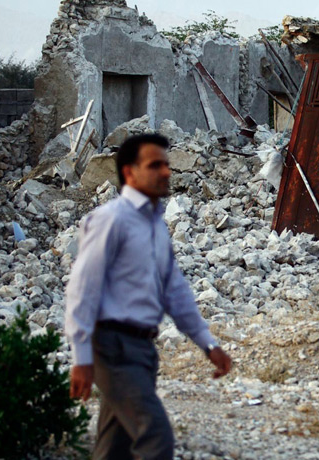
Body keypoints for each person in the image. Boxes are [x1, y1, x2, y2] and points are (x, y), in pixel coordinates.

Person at [65, 133, 232, 459]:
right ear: (129, 172)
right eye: (155, 165)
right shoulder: (111, 219)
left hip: (141, 350)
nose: (166, 172)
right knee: (155, 438)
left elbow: (175, 290)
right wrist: (81, 356)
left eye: (166, 165)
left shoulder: (155, 224)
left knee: (115, 448)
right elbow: (83, 289)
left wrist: (207, 343)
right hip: (112, 348)